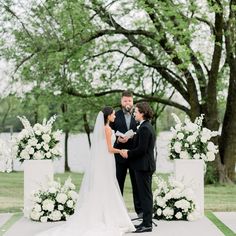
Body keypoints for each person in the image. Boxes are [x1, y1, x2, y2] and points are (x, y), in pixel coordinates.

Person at [35, 107, 135, 236]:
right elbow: (110, 149)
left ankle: (100, 215)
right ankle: (106, 217)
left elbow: (104, 144)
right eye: (113, 115)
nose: (115, 116)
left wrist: (118, 138)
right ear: (108, 116)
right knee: (108, 186)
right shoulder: (107, 129)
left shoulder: (105, 129)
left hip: (103, 160)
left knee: (102, 187)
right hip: (107, 160)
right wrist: (121, 151)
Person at [121, 102, 156, 233]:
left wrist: (127, 153)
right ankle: (145, 222)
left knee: (145, 196)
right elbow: (139, 144)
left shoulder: (145, 128)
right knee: (144, 195)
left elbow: (142, 149)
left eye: (136, 111)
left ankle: (147, 224)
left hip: (144, 166)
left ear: (142, 113)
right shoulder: (143, 126)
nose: (134, 113)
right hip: (142, 166)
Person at [110, 90, 143, 218]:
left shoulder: (138, 115)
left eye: (129, 100)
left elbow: (142, 133)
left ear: (132, 101)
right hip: (119, 154)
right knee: (118, 183)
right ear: (121, 102)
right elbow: (110, 132)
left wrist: (132, 137)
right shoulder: (115, 115)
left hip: (134, 154)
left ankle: (139, 211)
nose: (127, 102)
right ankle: (117, 212)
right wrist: (117, 139)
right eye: (125, 100)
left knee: (136, 183)